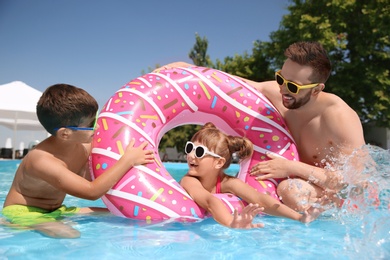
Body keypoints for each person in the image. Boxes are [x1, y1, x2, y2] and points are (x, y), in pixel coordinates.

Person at [157, 41, 366, 212]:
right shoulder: (279, 93)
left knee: (289, 190)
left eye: (292, 86)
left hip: (339, 196)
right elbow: (232, 84)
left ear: (316, 90)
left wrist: (291, 167)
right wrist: (189, 70)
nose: (283, 89)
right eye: (280, 78)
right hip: (301, 189)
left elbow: (356, 182)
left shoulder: (339, 118)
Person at [1, 84, 155, 238]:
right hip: (23, 213)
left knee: (116, 214)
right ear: (65, 134)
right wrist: (127, 160)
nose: (96, 127)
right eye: (90, 124)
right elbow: (91, 191)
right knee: (69, 234)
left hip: (56, 210)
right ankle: (7, 223)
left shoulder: (82, 145)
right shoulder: (42, 160)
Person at [180, 122, 322, 229]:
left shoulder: (227, 183)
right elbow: (210, 201)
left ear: (218, 162)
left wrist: (299, 217)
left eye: (199, 152)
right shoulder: (189, 181)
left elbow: (260, 199)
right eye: (189, 148)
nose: (191, 155)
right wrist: (231, 223)